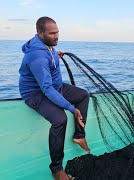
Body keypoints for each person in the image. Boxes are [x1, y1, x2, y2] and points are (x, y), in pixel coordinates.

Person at [19, 17, 90, 180]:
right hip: (36, 93)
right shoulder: (38, 57)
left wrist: (53, 54)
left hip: (55, 86)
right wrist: (71, 108)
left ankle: (79, 135)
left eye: (57, 32)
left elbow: (47, 57)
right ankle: (57, 169)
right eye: (52, 33)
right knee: (60, 119)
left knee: (83, 95)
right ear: (40, 33)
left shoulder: (45, 46)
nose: (56, 36)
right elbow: (46, 88)